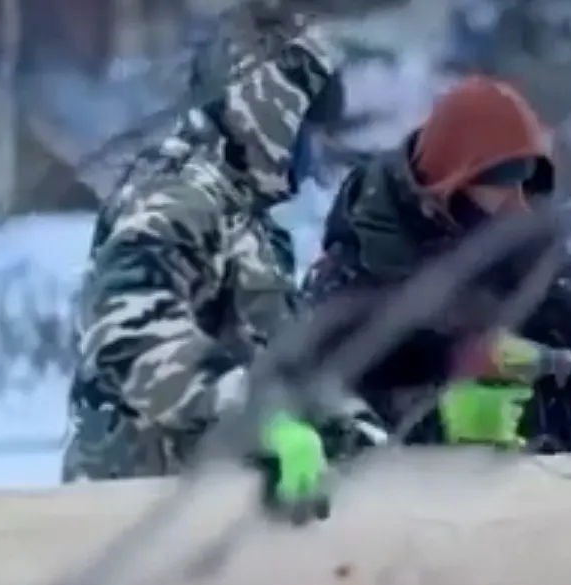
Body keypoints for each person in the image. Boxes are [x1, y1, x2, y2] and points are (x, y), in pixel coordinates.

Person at [62, 18, 354, 525]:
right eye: (309, 128)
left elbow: (278, 358)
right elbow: (129, 338)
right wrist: (261, 415)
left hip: (217, 520)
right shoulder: (174, 199)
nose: (317, 150)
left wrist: (349, 427)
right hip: (133, 517)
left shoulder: (245, 218)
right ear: (267, 113)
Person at [305, 75, 571, 452]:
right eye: (503, 181)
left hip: (530, 474)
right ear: (453, 180)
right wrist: (438, 398)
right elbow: (323, 365)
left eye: (529, 181)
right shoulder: (370, 239)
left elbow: (560, 304)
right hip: (396, 480)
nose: (517, 200)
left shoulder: (522, 228)